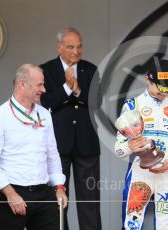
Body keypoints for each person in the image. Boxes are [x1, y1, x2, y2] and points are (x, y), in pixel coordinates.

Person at [0, 64, 68, 230]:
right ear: (22, 84)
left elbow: (52, 154)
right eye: (39, 85)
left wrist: (59, 188)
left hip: (45, 194)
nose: (44, 89)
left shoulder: (44, 114)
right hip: (12, 194)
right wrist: (10, 194)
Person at [114, 57, 168, 229]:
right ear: (148, 79)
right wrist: (129, 146)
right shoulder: (132, 105)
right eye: (161, 88)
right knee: (131, 227)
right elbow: (118, 150)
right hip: (139, 174)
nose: (165, 93)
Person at [40, 27, 101, 230]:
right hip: (58, 146)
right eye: (70, 46)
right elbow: (46, 102)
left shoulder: (90, 69)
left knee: (90, 203)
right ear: (59, 47)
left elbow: (96, 102)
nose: (76, 51)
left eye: (79, 46)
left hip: (87, 145)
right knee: (58, 203)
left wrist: (77, 90)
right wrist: (66, 88)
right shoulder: (46, 70)